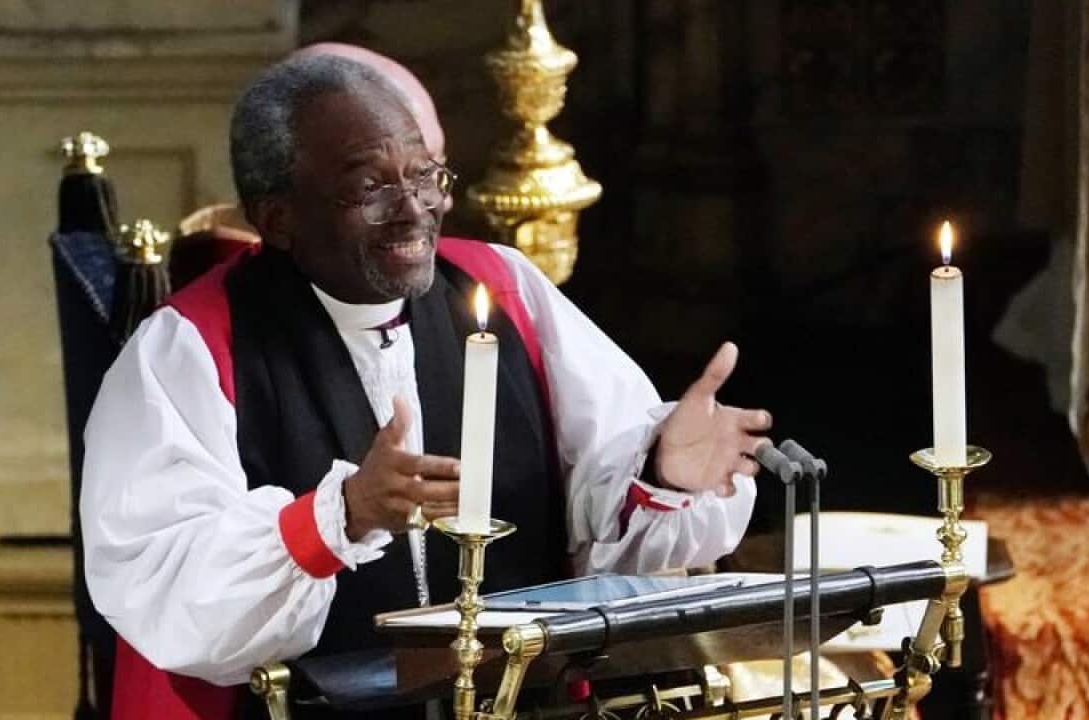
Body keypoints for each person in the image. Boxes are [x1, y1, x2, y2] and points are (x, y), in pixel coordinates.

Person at [80, 52, 772, 719]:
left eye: (424, 175)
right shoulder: (188, 348)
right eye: (369, 186)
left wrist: (664, 473)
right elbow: (165, 583)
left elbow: (600, 519)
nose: (414, 209)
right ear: (278, 217)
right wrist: (337, 518)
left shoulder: (503, 288)